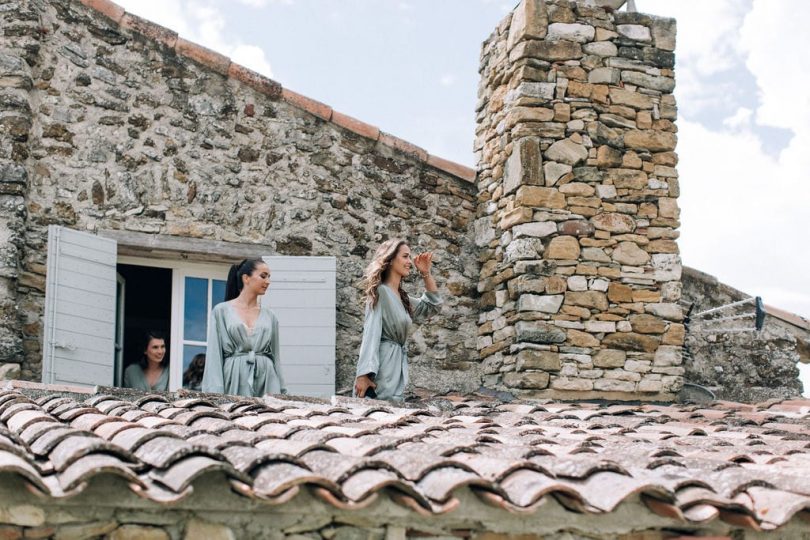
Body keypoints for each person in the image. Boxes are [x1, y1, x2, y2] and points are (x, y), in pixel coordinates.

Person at [354, 239, 441, 401]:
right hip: (382, 369)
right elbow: (371, 332)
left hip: (396, 367)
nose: (410, 262)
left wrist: (425, 273)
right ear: (391, 259)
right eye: (405, 257)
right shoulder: (380, 292)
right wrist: (363, 374)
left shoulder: (403, 298)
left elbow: (433, 306)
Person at [202, 258, 286, 396]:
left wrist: (282, 391)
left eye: (269, 277)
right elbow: (214, 355)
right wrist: (214, 394)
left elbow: (275, 356)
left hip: (267, 379)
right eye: (263, 276)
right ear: (246, 278)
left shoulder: (270, 316)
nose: (268, 281)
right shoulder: (221, 311)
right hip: (234, 377)